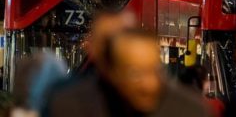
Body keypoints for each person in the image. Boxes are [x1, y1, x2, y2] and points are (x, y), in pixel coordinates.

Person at [48, 28, 210, 116]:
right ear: (113, 73)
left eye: (155, 70)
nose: (149, 83)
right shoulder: (71, 107)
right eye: (135, 73)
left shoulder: (189, 111)